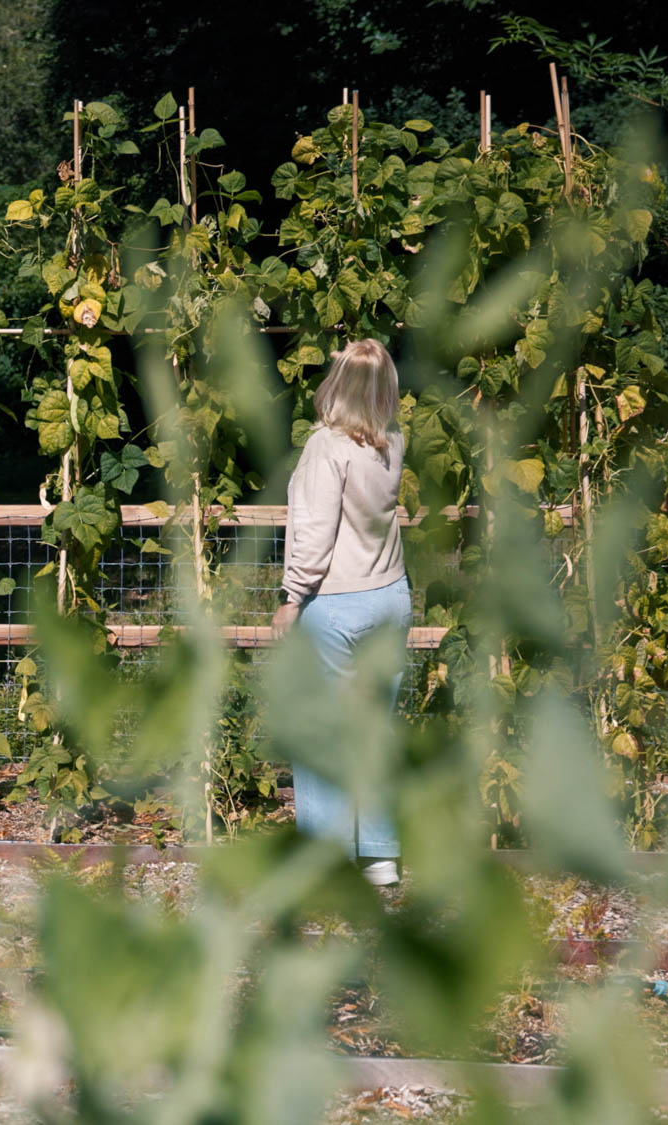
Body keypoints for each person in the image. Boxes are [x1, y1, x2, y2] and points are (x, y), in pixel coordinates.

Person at [270, 339, 412, 887]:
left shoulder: (326, 447)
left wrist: (290, 599)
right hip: (390, 596)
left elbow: (314, 532)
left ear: (338, 384)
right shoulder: (391, 440)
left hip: (335, 603)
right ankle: (379, 858)